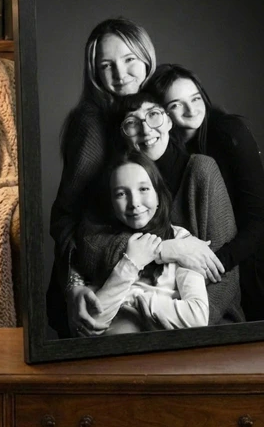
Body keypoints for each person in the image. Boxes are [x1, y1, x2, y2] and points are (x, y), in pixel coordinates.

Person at [75, 90, 244, 333]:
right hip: (134, 321)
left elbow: (221, 269)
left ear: (168, 119)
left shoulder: (201, 170)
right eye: (132, 123)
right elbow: (90, 247)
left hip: (203, 318)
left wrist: (199, 330)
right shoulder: (115, 176)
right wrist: (165, 249)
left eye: (154, 115)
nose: (146, 130)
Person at [47, 17, 158, 338]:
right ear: (94, 72)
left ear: (147, 59)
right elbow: (66, 215)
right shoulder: (91, 123)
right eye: (106, 65)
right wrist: (74, 285)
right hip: (98, 274)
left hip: (145, 273)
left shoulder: (153, 112)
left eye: (129, 60)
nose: (121, 74)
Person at [146, 64, 264, 321]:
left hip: (250, 264)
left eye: (196, 98)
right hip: (196, 274)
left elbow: (261, 221)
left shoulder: (230, 134)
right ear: (160, 113)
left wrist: (207, 265)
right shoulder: (161, 151)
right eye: (176, 104)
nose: (192, 109)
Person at [79, 152, 209, 335]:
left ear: (158, 194)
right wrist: (130, 263)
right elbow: (92, 325)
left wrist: (133, 299)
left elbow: (197, 317)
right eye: (121, 193)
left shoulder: (180, 239)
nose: (134, 203)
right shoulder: (102, 246)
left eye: (143, 189)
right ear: (111, 203)